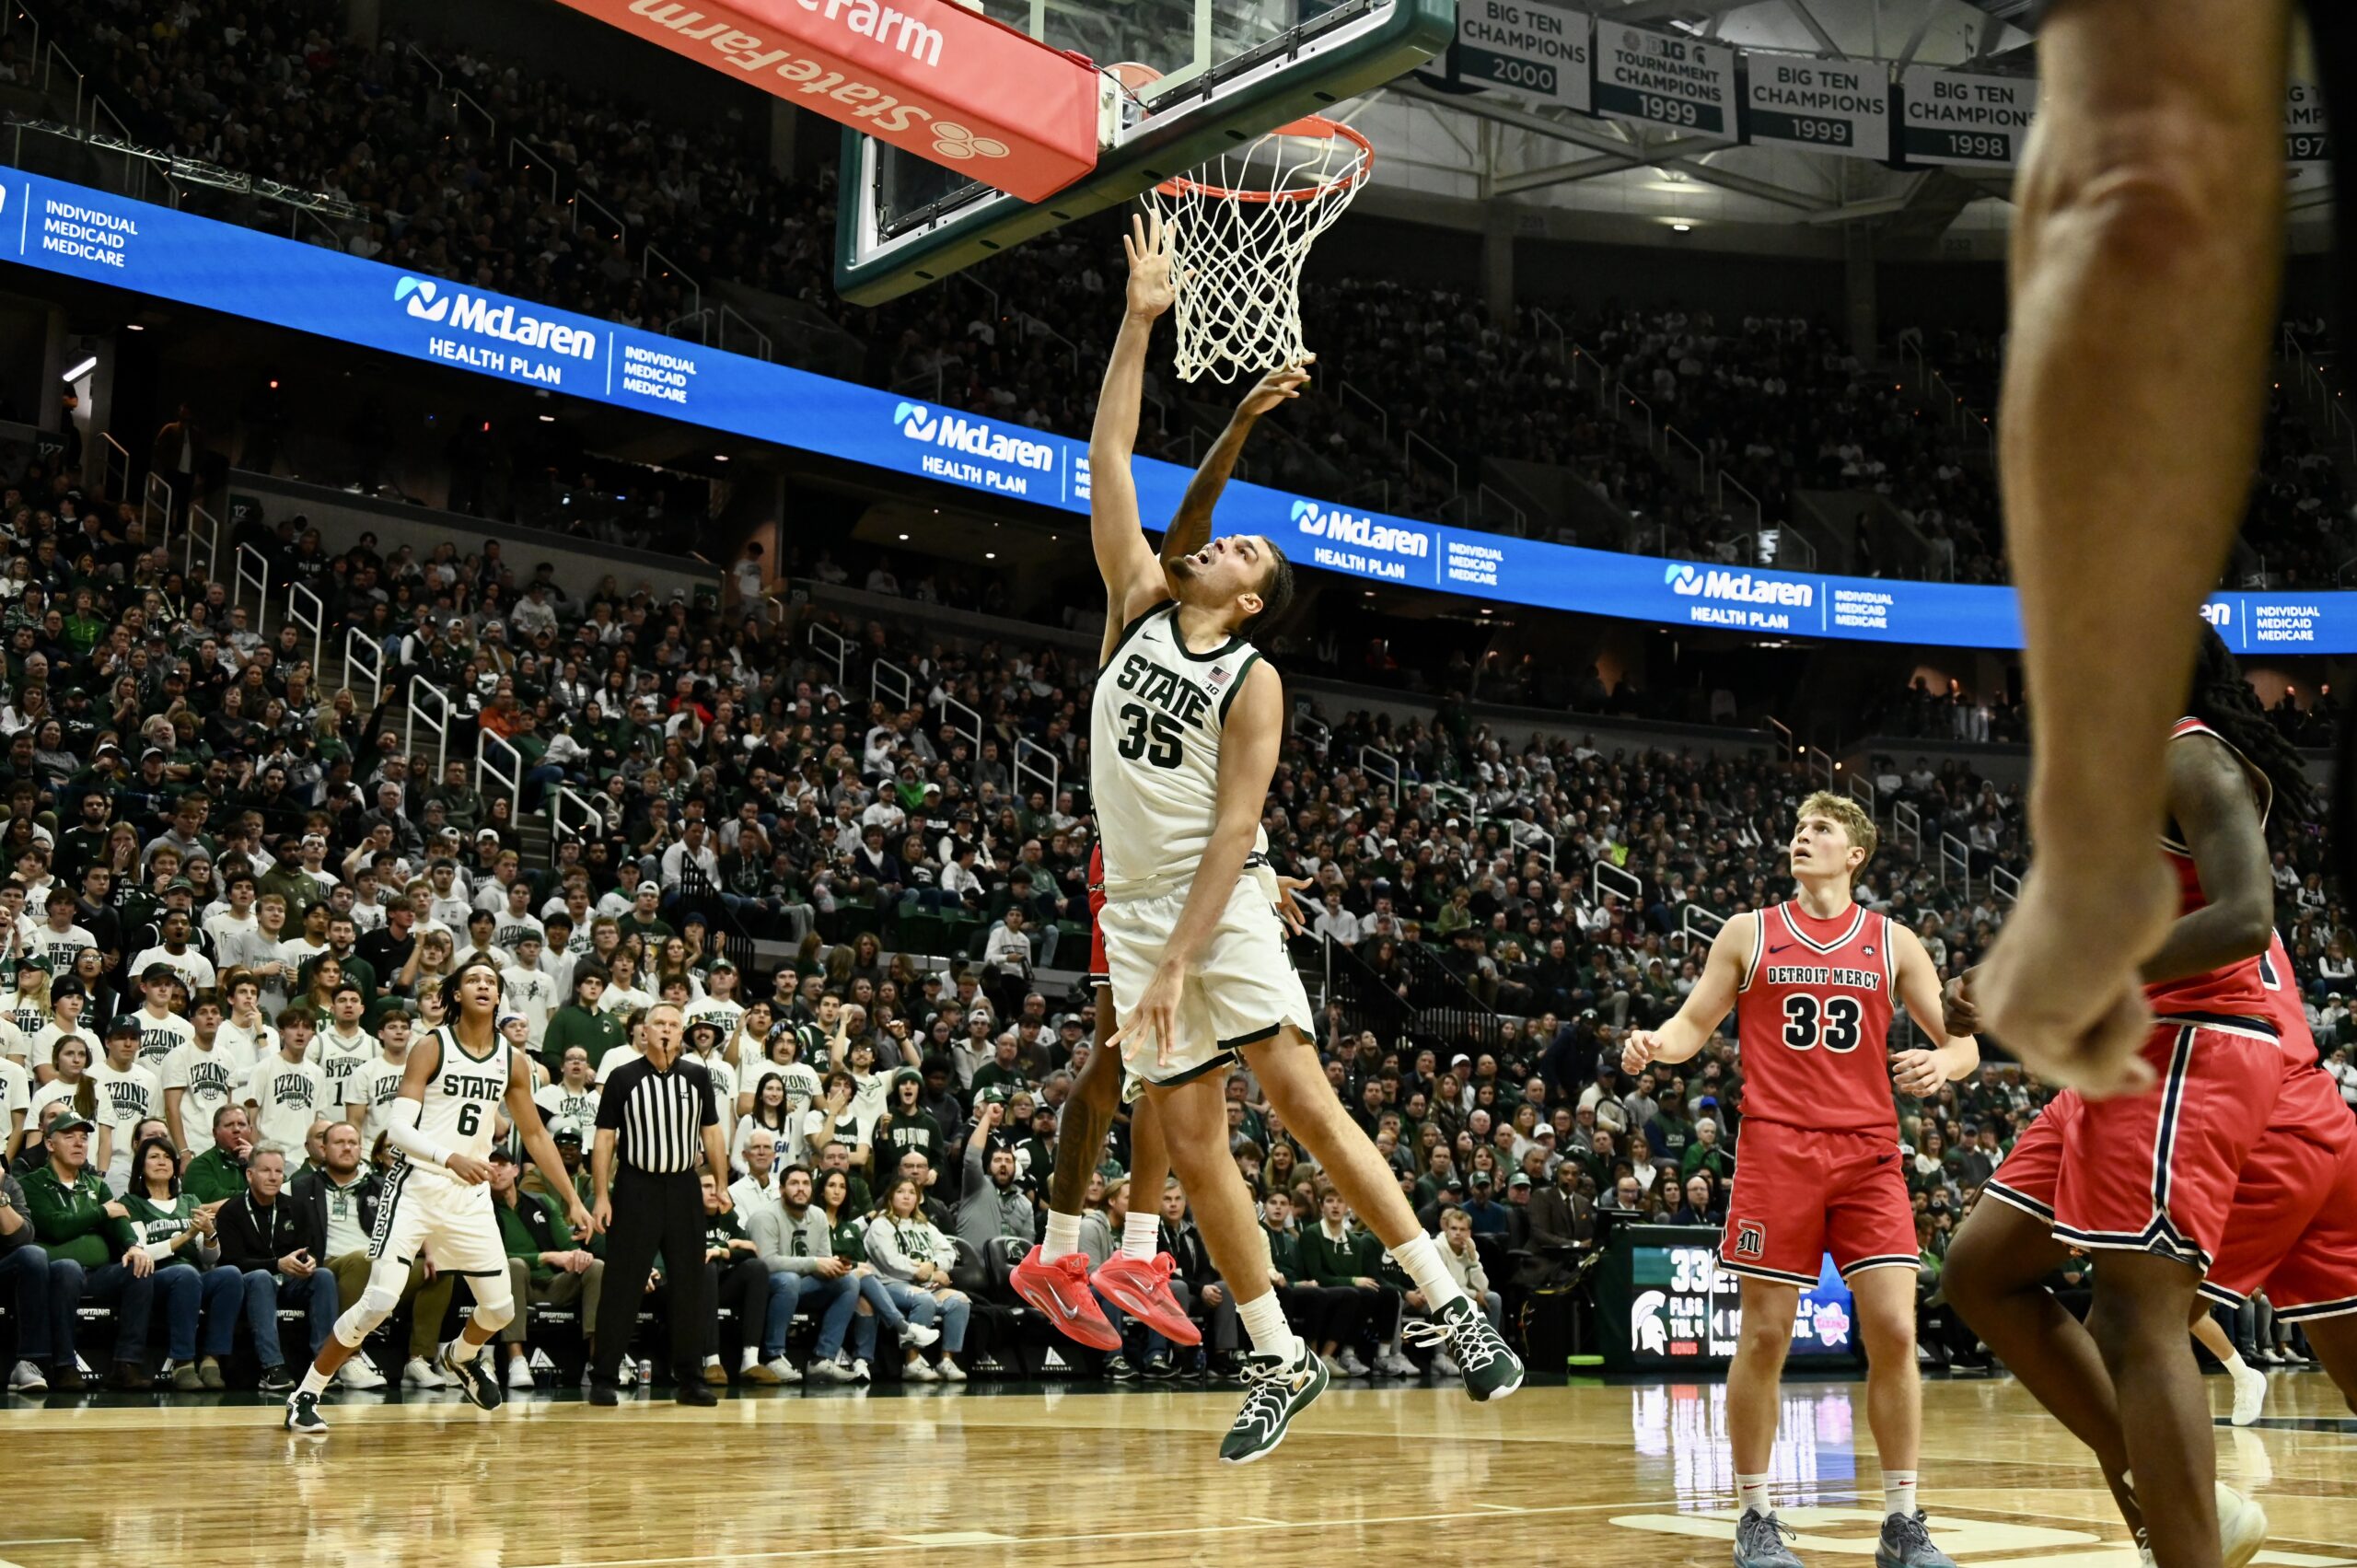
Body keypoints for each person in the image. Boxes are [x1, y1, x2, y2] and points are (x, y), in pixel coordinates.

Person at [1081, 212, 1517, 1466]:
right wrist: (1140, 322)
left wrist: (1181, 956)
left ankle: (1449, 1301)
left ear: (1251, 598)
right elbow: (1111, 453)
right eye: (1222, 535)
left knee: (1303, 1099)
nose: (1222, 538)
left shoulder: (1253, 678)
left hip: (1215, 904)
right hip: (1136, 914)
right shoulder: (1134, 606)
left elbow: (1236, 830)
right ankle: (1278, 1353)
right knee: (1193, 1143)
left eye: (1245, 549)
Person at [1964, 0, 2346, 1106]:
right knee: (2004, 1227)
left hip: (2224, 1048)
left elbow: (2243, 916)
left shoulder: (2184, 752)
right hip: (2201, 1041)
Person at [1943, 643, 2328, 1568]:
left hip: (2195, 1044)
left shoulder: (2187, 752)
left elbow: (2246, 915)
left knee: (2132, 1318)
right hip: (2128, 1051)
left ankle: (2183, 1530)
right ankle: (2187, 1500)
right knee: (1978, 1269)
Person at [1620, 792, 1978, 1568]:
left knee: (1896, 1328)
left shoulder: (1894, 941)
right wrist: (1656, 1043)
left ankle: (1902, 1520)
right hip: (1777, 1149)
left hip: (1869, 1152)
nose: (1801, 837)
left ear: (1856, 853)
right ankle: (1754, 1514)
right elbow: (1692, 1025)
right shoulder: (1748, 931)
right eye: (1796, 829)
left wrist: (1942, 1062)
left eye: (1820, 829)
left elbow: (1965, 1043)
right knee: (1764, 1333)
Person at [286, 956, 592, 1434]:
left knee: (500, 1309)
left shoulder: (512, 1060)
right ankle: (306, 1393)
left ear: (499, 995)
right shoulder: (432, 1046)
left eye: (490, 980)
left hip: (468, 1198)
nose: (483, 985)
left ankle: (461, 1356)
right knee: (379, 1301)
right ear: (456, 994)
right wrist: (450, 1158)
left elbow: (535, 1134)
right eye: (473, 980)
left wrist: (572, 1198)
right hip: (416, 1188)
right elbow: (397, 1129)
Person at [1009, 842, 1192, 1355]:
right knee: (1131, 1059)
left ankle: (1128, 1254)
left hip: (1168, 861)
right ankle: (1080, 1253)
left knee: (1164, 1061)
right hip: (1145, 857)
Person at [586, 997, 728, 1407]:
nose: (666, 1029)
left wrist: (721, 1183)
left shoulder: (697, 1076)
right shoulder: (622, 1077)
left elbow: (712, 1132)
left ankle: (690, 1378)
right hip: (636, 1186)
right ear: (644, 1032)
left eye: (673, 1024)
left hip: (684, 1187)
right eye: (659, 1023)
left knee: (690, 1283)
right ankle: (604, 1377)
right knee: (622, 1283)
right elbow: (605, 1139)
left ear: (681, 1034)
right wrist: (601, 1195)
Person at [295, 1118, 453, 1392]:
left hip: (379, 1262)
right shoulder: (301, 1186)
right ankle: (349, 1358)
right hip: (330, 1266)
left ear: (361, 1148)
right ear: (323, 1148)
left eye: (353, 1143)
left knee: (442, 1269)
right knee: (360, 1260)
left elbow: (415, 1220)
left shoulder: (382, 1185)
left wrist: (430, 1252)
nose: (347, 1148)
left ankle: (418, 1360)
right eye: (339, 1142)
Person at [18, 1113, 160, 1389]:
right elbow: (56, 1227)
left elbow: (119, 1220)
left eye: (84, 1138)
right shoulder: (32, 1184)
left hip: (97, 1273)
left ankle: (126, 1364)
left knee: (139, 1267)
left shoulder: (96, 1184)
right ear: (49, 1144)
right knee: (68, 1267)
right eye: (69, 1137)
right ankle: (64, 1366)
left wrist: (133, 1245)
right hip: (57, 1273)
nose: (79, 1143)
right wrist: (101, 1213)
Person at [120, 1132, 248, 1390]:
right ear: (141, 1166)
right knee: (185, 1274)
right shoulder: (131, 1203)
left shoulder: (190, 1201)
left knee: (230, 1275)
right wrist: (186, 1236)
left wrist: (209, 1234)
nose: (162, 1162)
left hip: (194, 1275)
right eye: (154, 1157)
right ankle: (183, 1362)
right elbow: (142, 1251)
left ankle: (212, 1360)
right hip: (155, 1278)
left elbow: (209, 1258)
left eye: (167, 1157)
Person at [215, 1143, 342, 1390]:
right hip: (250, 1285)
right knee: (261, 1277)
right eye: (266, 1171)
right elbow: (231, 1262)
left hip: (291, 1281)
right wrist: (276, 1265)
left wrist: (310, 1261)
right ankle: (272, 1368)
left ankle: (324, 1365)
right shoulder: (232, 1210)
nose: (273, 1177)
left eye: (279, 1171)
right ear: (249, 1174)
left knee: (323, 1275)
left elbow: (311, 1248)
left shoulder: (296, 1207)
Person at [746, 1161, 862, 1385]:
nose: (801, 1189)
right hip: (766, 1288)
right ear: (781, 1189)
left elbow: (823, 1259)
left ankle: (823, 1359)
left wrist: (834, 1267)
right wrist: (815, 1264)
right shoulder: (765, 1217)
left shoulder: (818, 1215)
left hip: (802, 1286)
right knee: (788, 1280)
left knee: (849, 1282)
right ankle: (772, 1357)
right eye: (794, 1183)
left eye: (806, 1183)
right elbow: (766, 1263)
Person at [865, 1173, 971, 1381]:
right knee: (923, 1299)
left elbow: (948, 1252)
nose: (907, 1196)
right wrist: (926, 1273)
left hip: (926, 1284)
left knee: (960, 1301)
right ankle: (912, 1362)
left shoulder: (925, 1225)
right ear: (890, 1196)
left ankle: (946, 1361)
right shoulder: (880, 1224)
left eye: (912, 1192)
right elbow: (890, 1262)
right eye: (900, 1192)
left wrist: (935, 1265)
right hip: (890, 1284)